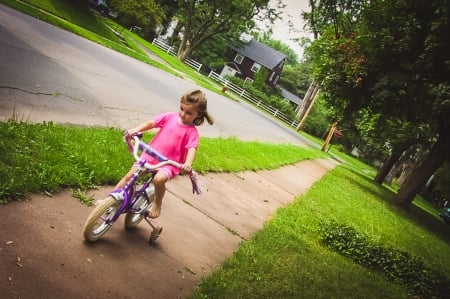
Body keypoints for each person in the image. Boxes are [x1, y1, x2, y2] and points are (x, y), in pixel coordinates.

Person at [112, 89, 214, 218]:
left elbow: (192, 148)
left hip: (169, 164)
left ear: (198, 115)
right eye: (181, 109)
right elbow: (151, 123)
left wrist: (187, 164)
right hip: (150, 156)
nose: (183, 114)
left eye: (189, 113)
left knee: (159, 179)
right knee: (129, 177)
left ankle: (157, 204)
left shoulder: (192, 132)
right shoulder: (170, 117)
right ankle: (108, 200)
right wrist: (136, 130)